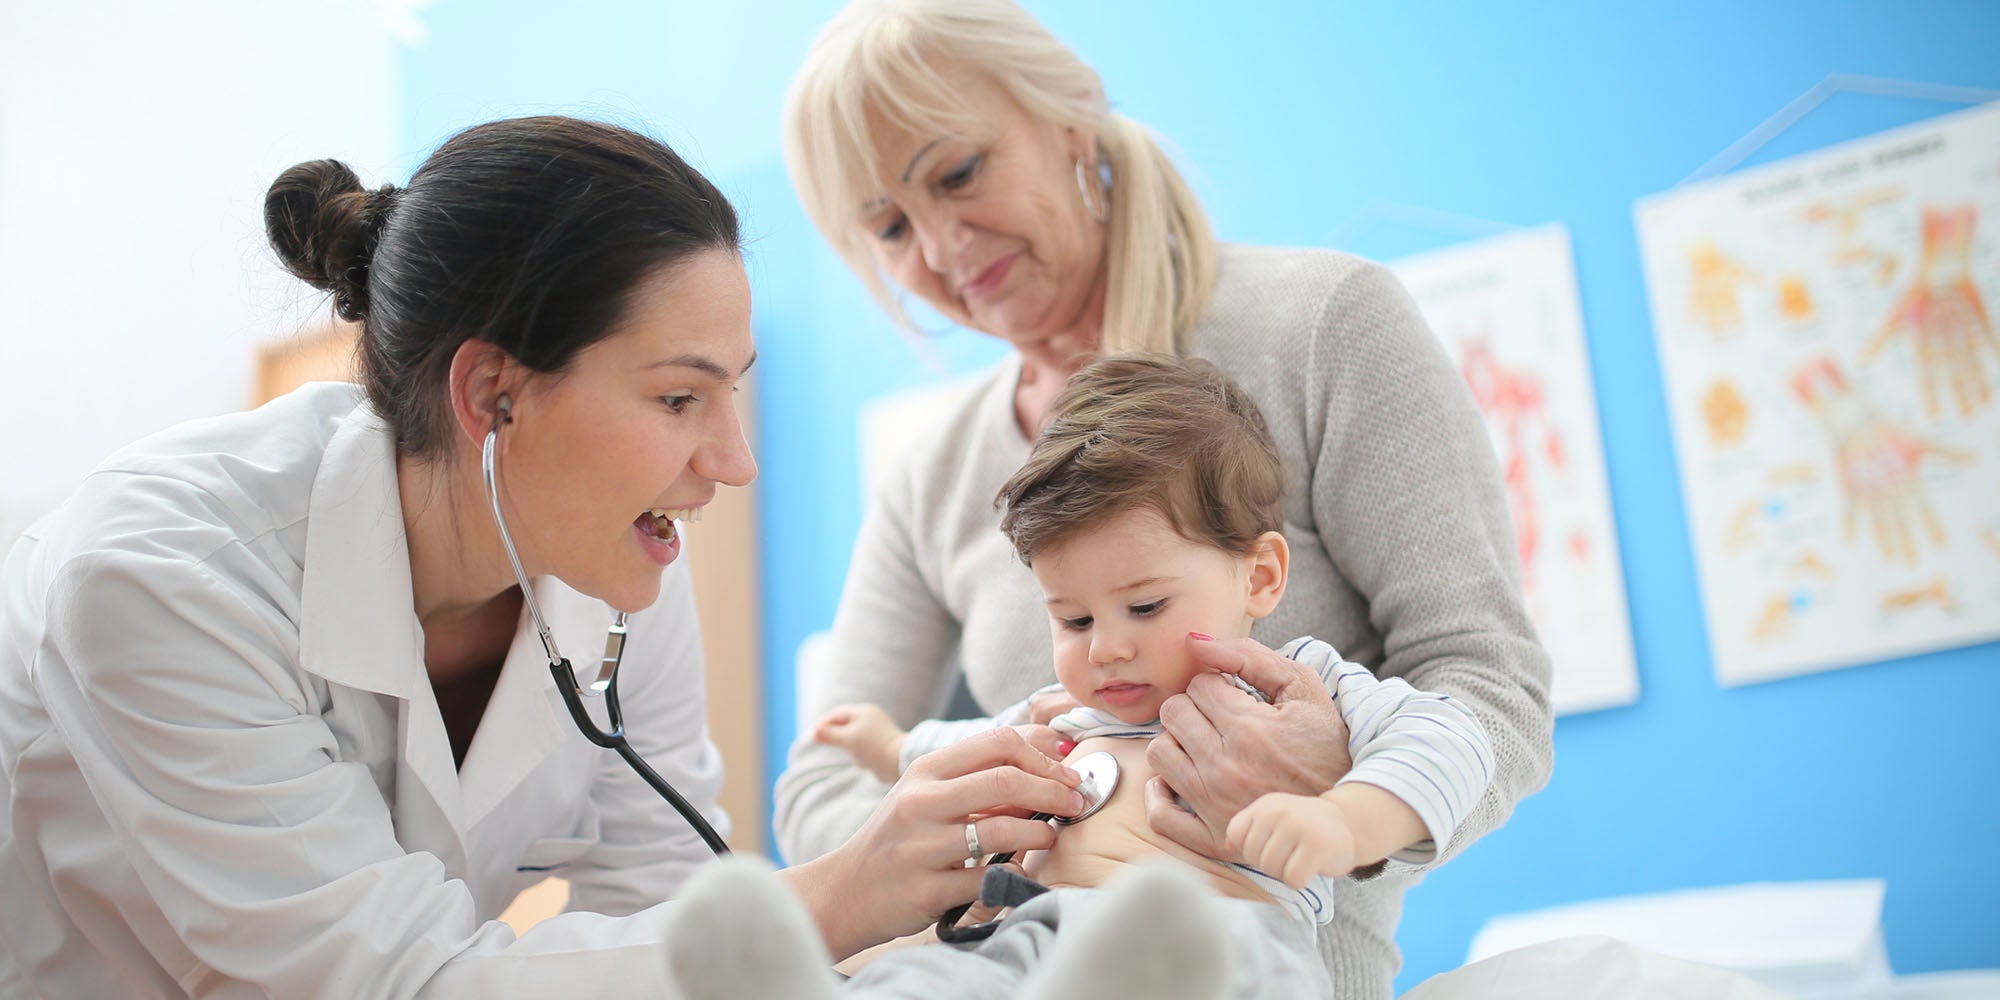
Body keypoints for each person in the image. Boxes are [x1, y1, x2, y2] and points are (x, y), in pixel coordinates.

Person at [0, 115, 1086, 998]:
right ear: (490, 395)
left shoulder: (614, 578)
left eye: (731, 390)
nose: (735, 460)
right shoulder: (164, 575)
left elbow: (659, 910)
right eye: (677, 397)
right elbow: (385, 981)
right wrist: (843, 891)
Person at [772, 2, 1555, 995]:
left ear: (1068, 122)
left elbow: (1491, 689)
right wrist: (1016, 830)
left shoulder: (1319, 327)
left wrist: (1342, 796)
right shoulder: (930, 476)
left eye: (956, 172)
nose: (940, 245)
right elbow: (824, 776)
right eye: (887, 225)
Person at [753, 354, 1496, 998]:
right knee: (925, 977)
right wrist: (889, 745)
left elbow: (1452, 739)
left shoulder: (1293, 688)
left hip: (1220, 937)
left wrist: (1344, 818)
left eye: (1143, 605)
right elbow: (964, 755)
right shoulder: (1054, 718)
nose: (1105, 648)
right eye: (1073, 621)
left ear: (1261, 576)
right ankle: (751, 976)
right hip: (1039, 933)